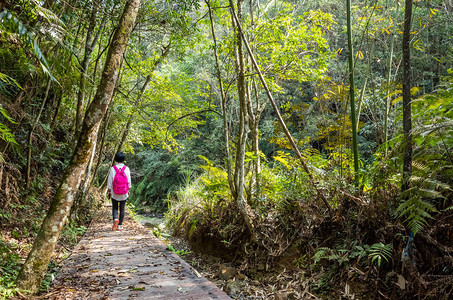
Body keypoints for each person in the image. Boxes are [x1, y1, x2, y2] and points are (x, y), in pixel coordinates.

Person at [107, 152, 132, 231]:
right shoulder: (126, 169)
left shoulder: (113, 168)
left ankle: (115, 219)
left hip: (115, 191)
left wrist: (109, 191)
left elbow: (110, 181)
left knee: (114, 207)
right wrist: (129, 190)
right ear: (124, 160)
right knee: (122, 208)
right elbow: (129, 180)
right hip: (124, 191)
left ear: (116, 159)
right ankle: (120, 225)